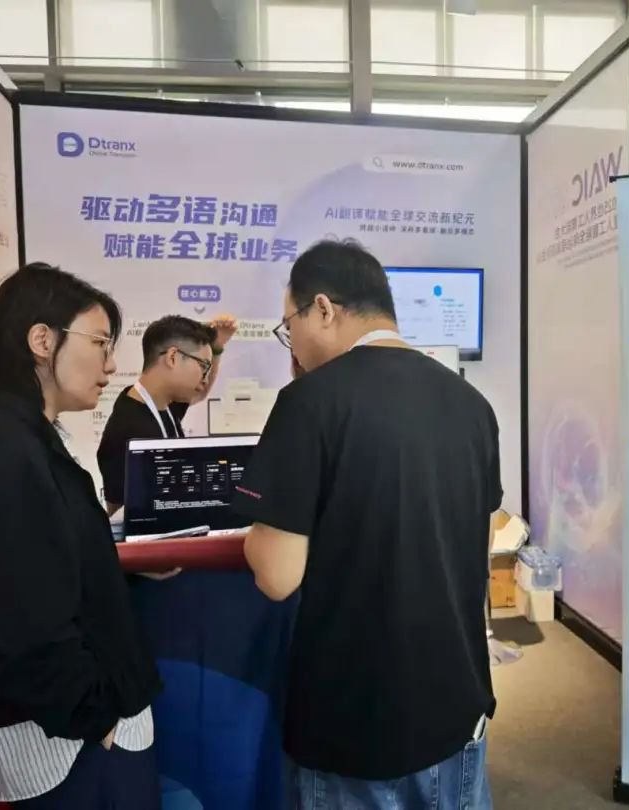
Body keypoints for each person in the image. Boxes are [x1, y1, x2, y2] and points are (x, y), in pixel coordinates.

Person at [234, 240, 502, 809]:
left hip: (356, 719)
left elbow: (276, 577)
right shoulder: (471, 403)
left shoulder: (309, 402)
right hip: (457, 704)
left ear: (323, 309)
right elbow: (478, 551)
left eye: (289, 326)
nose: (292, 343)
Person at [0, 263, 162, 808]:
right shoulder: (7, 454)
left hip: (72, 732)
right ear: (42, 341)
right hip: (64, 745)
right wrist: (97, 721)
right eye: (100, 342)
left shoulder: (25, 439)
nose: (111, 364)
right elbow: (25, 625)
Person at [97, 314, 237, 515]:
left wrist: (216, 349)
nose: (204, 379)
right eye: (203, 367)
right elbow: (121, 516)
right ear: (172, 358)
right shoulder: (130, 432)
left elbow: (200, 392)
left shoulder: (163, 403)